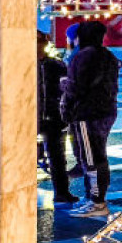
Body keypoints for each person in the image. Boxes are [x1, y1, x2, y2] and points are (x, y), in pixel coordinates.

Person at [62, 21, 120, 218]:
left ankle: (97, 203)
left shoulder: (82, 56)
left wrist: (66, 106)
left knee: (91, 159)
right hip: (106, 111)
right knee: (98, 155)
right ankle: (95, 200)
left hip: (87, 113)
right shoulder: (108, 55)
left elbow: (75, 88)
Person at [37, 32, 76, 206]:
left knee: (58, 158)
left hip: (53, 117)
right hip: (29, 118)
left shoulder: (57, 65)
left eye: (40, 42)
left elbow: (67, 91)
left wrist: (66, 113)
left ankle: (61, 192)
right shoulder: (18, 65)